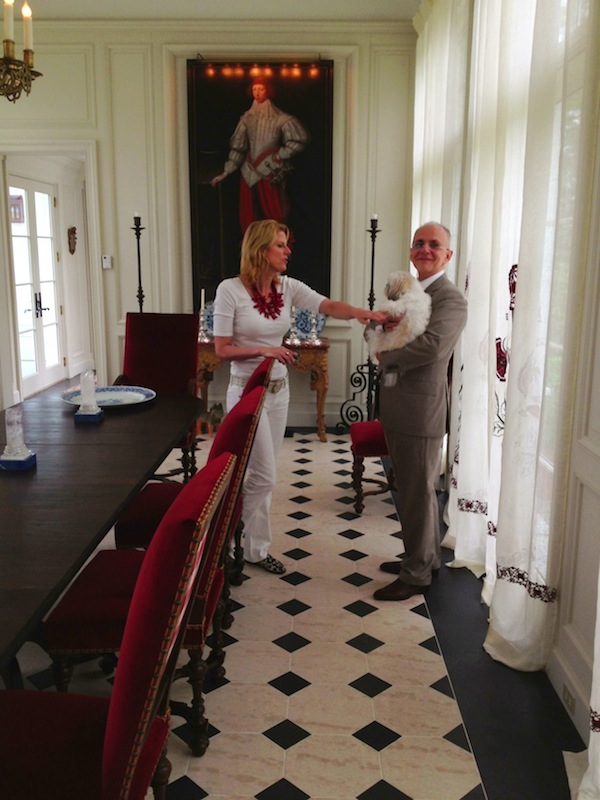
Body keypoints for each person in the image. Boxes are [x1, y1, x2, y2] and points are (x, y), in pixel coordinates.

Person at [213, 219, 387, 574]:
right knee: (262, 476)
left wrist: (359, 313)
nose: (288, 250)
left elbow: (327, 306)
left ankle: (256, 551)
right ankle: (222, 535)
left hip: (279, 395)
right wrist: (265, 350)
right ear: (261, 250)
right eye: (280, 245)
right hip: (247, 394)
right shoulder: (229, 290)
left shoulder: (288, 287)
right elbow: (221, 350)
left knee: (265, 471)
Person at [373, 222, 468, 601]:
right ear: (412, 252)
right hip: (401, 407)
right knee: (415, 491)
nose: (425, 249)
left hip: (420, 411)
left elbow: (431, 347)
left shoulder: (450, 299)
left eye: (434, 244)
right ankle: (423, 558)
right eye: (419, 244)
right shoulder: (410, 292)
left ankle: (416, 575)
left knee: (417, 492)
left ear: (448, 255)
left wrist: (384, 355)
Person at [210, 78, 310, 233]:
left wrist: (281, 155)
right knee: (249, 217)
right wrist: (226, 172)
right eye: (254, 89)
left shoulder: (280, 118)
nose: (257, 92)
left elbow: (299, 139)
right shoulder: (246, 118)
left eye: (261, 89)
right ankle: (252, 251)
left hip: (270, 170)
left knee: (275, 215)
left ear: (267, 91)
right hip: (248, 172)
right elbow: (238, 147)